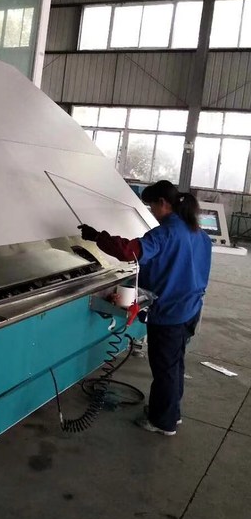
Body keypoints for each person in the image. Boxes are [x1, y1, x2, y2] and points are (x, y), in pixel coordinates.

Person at [78, 180, 212, 436]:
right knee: (175, 364)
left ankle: (162, 422)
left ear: (163, 203)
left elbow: (129, 251)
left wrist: (97, 237)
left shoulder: (165, 233)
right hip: (190, 309)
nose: (152, 212)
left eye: (151, 207)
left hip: (169, 312)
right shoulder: (198, 233)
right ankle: (172, 412)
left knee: (165, 369)